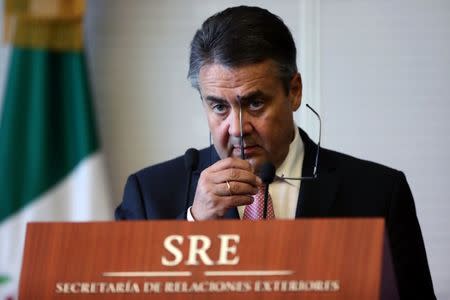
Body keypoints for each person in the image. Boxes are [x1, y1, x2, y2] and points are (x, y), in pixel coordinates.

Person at [115, 6, 435, 299]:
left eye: (254, 103)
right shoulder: (149, 194)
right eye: (218, 107)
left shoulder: (379, 193)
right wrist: (193, 227)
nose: (237, 128)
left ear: (293, 91)